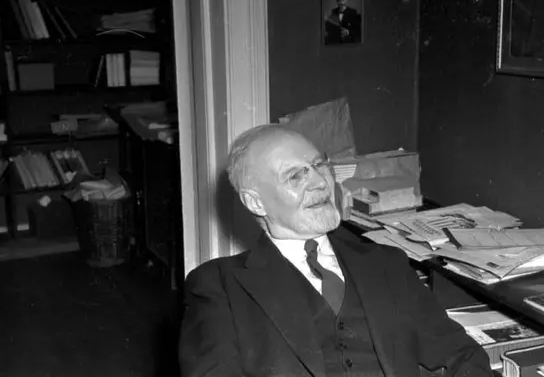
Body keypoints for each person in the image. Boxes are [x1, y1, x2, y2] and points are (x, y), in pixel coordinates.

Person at [179, 124, 493, 377]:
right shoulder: (219, 286)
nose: (320, 182)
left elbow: (462, 354)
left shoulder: (385, 262)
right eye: (295, 175)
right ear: (255, 202)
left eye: (319, 165)